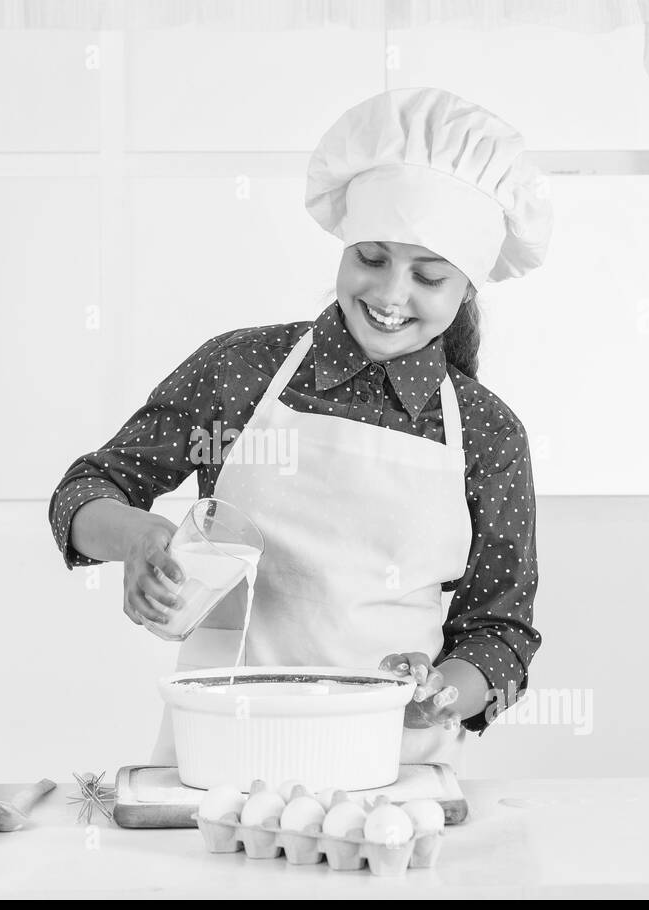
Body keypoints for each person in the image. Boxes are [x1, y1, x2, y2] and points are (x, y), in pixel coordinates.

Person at [48, 87, 552, 771]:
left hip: (387, 768)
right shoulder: (240, 369)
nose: (391, 295)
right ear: (343, 250)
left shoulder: (489, 434)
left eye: (428, 276)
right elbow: (87, 489)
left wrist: (441, 691)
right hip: (220, 753)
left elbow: (500, 633)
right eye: (371, 258)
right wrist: (136, 537)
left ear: (466, 289)